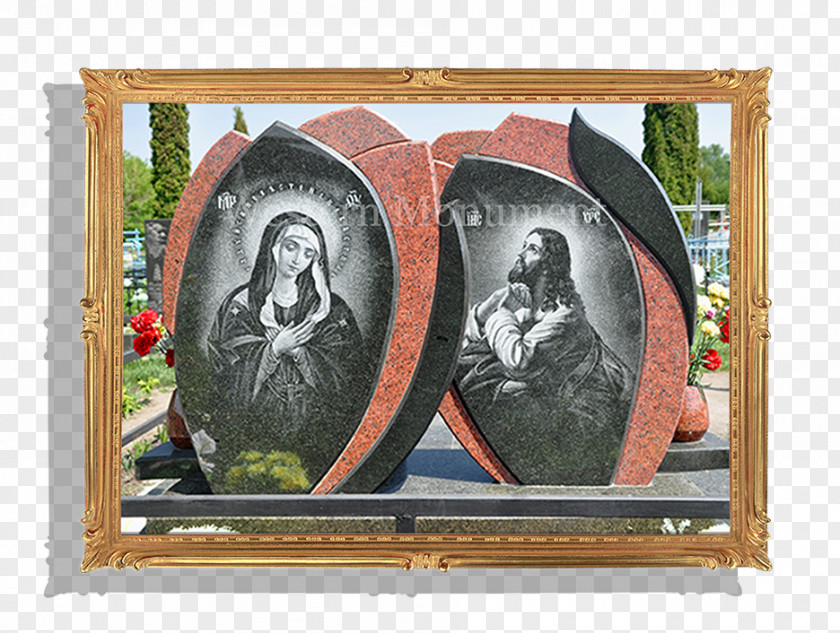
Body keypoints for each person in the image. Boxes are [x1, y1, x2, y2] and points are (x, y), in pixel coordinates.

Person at [455, 227, 635, 484]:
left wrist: (501, 313)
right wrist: (489, 307)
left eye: (532, 249)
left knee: (505, 392)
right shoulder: (530, 307)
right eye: (524, 245)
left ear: (549, 266)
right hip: (555, 404)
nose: (521, 253)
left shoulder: (564, 316)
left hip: (585, 420)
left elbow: (518, 361)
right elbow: (475, 347)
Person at [206, 211, 369, 478]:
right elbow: (222, 371)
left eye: (308, 254)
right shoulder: (241, 304)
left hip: (313, 424)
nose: (297, 260)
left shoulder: (330, 309)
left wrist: (301, 353)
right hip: (257, 426)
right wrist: (272, 350)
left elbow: (350, 372)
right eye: (291, 247)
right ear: (273, 247)